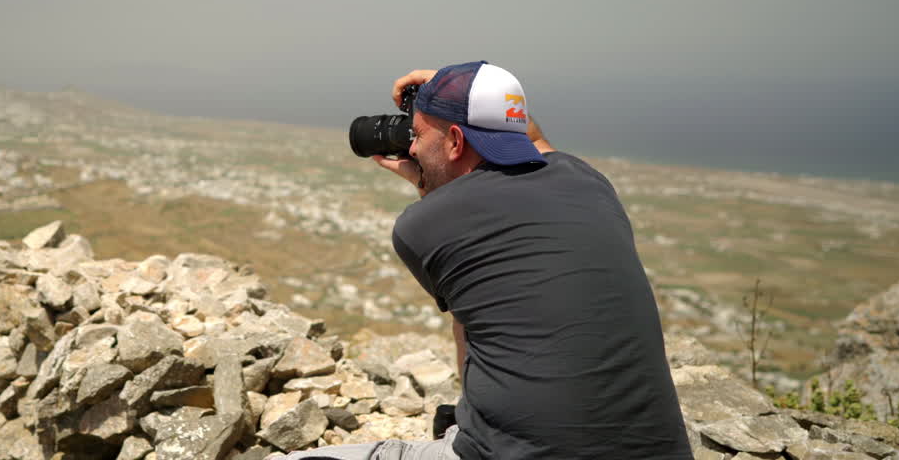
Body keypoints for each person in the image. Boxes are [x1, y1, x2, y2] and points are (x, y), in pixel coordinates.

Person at [276, 61, 691, 460]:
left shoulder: (423, 224)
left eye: (417, 134)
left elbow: (471, 331)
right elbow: (536, 146)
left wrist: (434, 189)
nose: (412, 146)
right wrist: (476, 96)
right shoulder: (588, 180)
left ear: (456, 141)